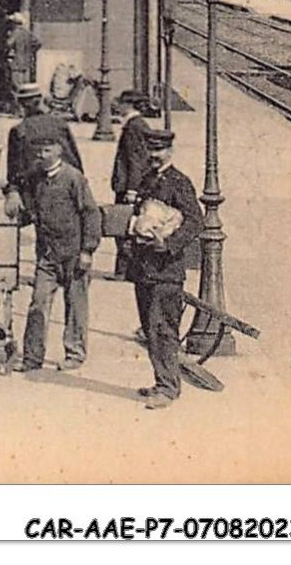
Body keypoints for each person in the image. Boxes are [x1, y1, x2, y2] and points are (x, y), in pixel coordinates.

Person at [6, 137, 101, 371]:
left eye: (47, 150)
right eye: (38, 151)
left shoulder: (73, 178)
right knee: (38, 303)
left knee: (75, 306)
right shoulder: (37, 179)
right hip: (47, 255)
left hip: (74, 254)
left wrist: (87, 250)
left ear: (58, 151)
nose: (41, 155)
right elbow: (30, 210)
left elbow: (91, 214)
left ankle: (75, 354)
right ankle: (32, 357)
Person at [127, 129, 204, 409]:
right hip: (144, 268)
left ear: (170, 150)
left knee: (163, 330)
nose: (154, 156)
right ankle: (162, 380)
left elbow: (196, 221)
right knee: (149, 328)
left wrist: (170, 244)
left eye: (159, 151)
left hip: (167, 270)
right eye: (150, 150)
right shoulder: (147, 180)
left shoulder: (179, 182)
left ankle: (168, 388)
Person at [4, 83, 84, 204]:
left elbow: (15, 168)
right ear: (41, 100)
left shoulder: (19, 130)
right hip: (64, 187)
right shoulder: (60, 124)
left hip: (33, 190)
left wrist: (13, 191)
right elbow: (74, 159)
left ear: (22, 105)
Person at [109, 89, 153, 286]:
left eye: (120, 102)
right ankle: (127, 270)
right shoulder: (135, 124)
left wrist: (132, 189)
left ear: (129, 105)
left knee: (124, 227)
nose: (117, 106)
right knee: (126, 227)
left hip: (128, 187)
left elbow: (136, 160)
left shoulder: (134, 127)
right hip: (128, 185)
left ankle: (124, 271)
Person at [5, 12, 40, 87]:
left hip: (16, 63)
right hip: (26, 61)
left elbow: (8, 44)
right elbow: (38, 43)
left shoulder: (15, 33)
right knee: (23, 84)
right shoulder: (26, 32)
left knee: (16, 85)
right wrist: (30, 52)